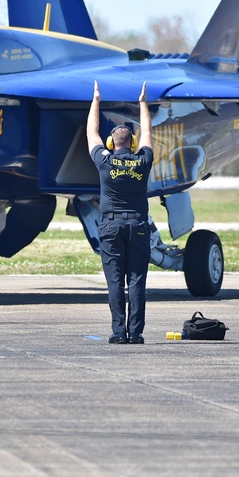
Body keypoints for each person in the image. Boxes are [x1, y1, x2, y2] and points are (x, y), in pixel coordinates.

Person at [86, 80, 153, 344]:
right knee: (136, 281)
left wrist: (96, 100)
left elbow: (91, 132)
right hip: (138, 226)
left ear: (112, 144)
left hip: (111, 228)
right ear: (133, 143)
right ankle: (136, 334)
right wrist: (143, 103)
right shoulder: (143, 160)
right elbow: (148, 131)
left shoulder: (104, 159)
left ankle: (118, 332)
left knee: (115, 282)